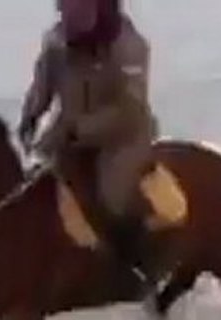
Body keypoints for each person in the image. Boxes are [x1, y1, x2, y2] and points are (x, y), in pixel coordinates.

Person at [17, 0, 159, 293]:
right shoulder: (56, 40)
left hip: (122, 137)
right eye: (63, 7)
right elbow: (42, 85)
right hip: (67, 128)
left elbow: (129, 111)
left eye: (75, 9)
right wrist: (30, 116)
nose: (65, 15)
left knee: (112, 196)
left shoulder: (130, 47)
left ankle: (137, 268)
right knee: (30, 181)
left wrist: (80, 130)